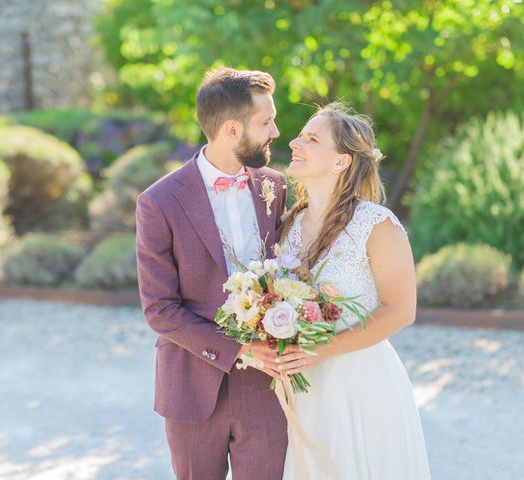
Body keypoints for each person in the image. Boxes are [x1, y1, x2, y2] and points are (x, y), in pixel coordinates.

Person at [135, 67, 289, 480]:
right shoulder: (158, 202)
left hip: (266, 387)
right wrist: (239, 351)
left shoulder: (276, 187)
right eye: (266, 121)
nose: (276, 131)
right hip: (191, 384)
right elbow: (160, 310)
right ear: (233, 130)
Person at [275, 102, 431, 479]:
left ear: (341, 162)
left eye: (311, 138)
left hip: (360, 383)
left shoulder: (376, 224)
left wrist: (320, 350)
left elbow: (400, 310)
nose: (295, 142)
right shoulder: (287, 222)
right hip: (303, 384)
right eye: (300, 134)